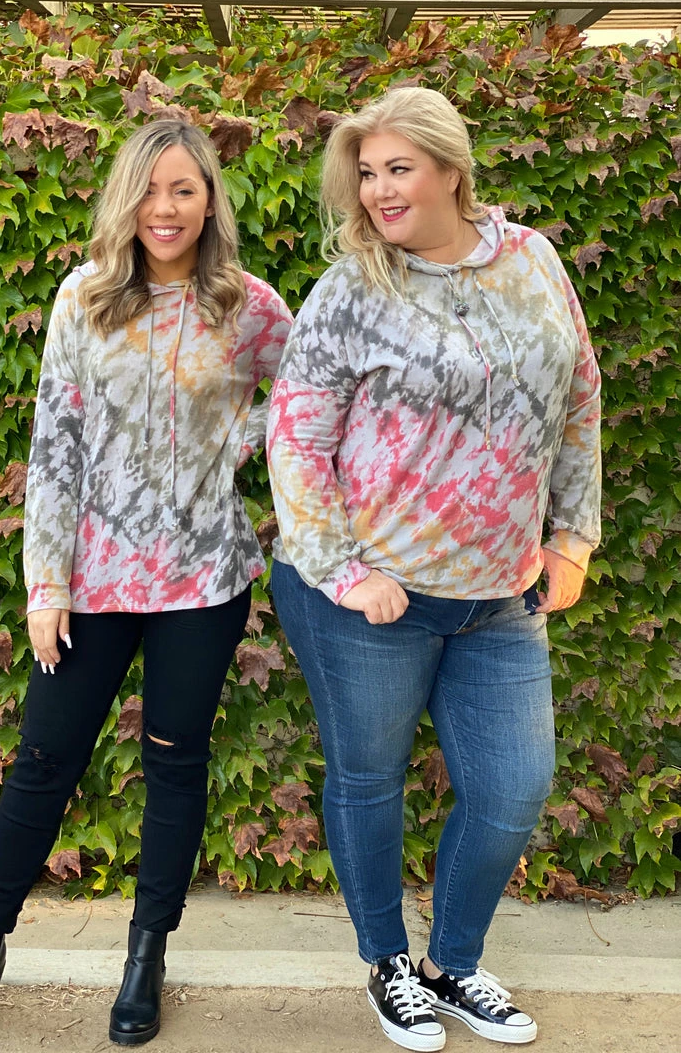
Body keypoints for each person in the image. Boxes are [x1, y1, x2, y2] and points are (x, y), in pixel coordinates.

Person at [0, 119, 292, 1050]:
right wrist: (46, 587)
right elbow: (56, 447)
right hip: (94, 581)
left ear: (209, 200)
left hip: (202, 580)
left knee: (176, 763)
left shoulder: (248, 306)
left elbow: (304, 397)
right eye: (150, 189)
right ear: (126, 198)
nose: (166, 208)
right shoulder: (84, 299)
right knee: (43, 761)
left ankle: (146, 955)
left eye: (185, 189)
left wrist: (235, 444)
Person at [267, 86, 601, 1051]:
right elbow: (295, 436)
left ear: (452, 170)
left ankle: (453, 963)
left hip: (502, 594)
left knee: (512, 789)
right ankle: (389, 964)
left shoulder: (532, 259)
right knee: (369, 780)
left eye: (398, 169)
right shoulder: (354, 288)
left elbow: (580, 399)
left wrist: (572, 537)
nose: (379, 190)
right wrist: (343, 570)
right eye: (367, 173)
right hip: (370, 596)